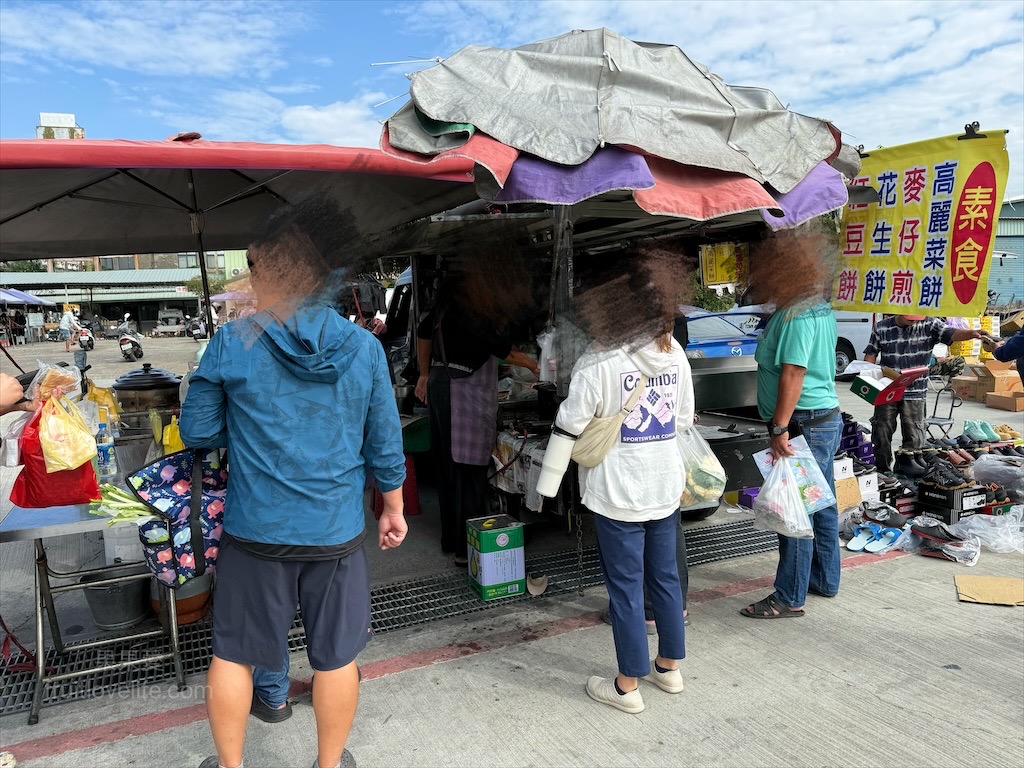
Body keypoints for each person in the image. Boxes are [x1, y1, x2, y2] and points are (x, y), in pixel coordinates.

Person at [181, 195, 408, 768]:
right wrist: (394, 508)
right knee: (336, 658)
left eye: (256, 268)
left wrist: (240, 414)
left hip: (256, 530)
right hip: (334, 532)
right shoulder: (364, 347)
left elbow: (199, 431)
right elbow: (384, 443)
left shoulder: (232, 341)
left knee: (234, 653)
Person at [536, 251, 692, 715]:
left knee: (625, 590)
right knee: (666, 579)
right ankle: (668, 668)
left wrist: (545, 488)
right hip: (664, 486)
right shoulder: (673, 352)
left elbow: (568, 425)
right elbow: (683, 420)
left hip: (617, 492)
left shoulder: (599, 359)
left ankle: (627, 687)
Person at [741, 229, 843, 620]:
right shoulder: (816, 306)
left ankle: (789, 596)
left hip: (803, 423)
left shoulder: (798, 315)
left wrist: (779, 427)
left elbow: (794, 372)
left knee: (795, 509)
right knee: (820, 502)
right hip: (821, 419)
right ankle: (823, 579)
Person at [414, 264, 538, 566]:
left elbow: (423, 333)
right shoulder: (470, 311)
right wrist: (537, 366)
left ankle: (451, 539)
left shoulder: (446, 307)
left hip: (442, 386)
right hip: (461, 393)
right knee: (467, 470)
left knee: (448, 467)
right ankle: (465, 550)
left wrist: (425, 373)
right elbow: (505, 352)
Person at [863, 315, 982, 473]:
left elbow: (952, 333)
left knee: (915, 434)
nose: (913, 321)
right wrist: (867, 378)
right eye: (909, 318)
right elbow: (870, 355)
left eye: (915, 318)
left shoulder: (930, 324)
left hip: (915, 392)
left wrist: (972, 333)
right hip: (887, 391)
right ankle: (882, 470)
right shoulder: (882, 327)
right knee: (881, 431)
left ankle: (907, 468)